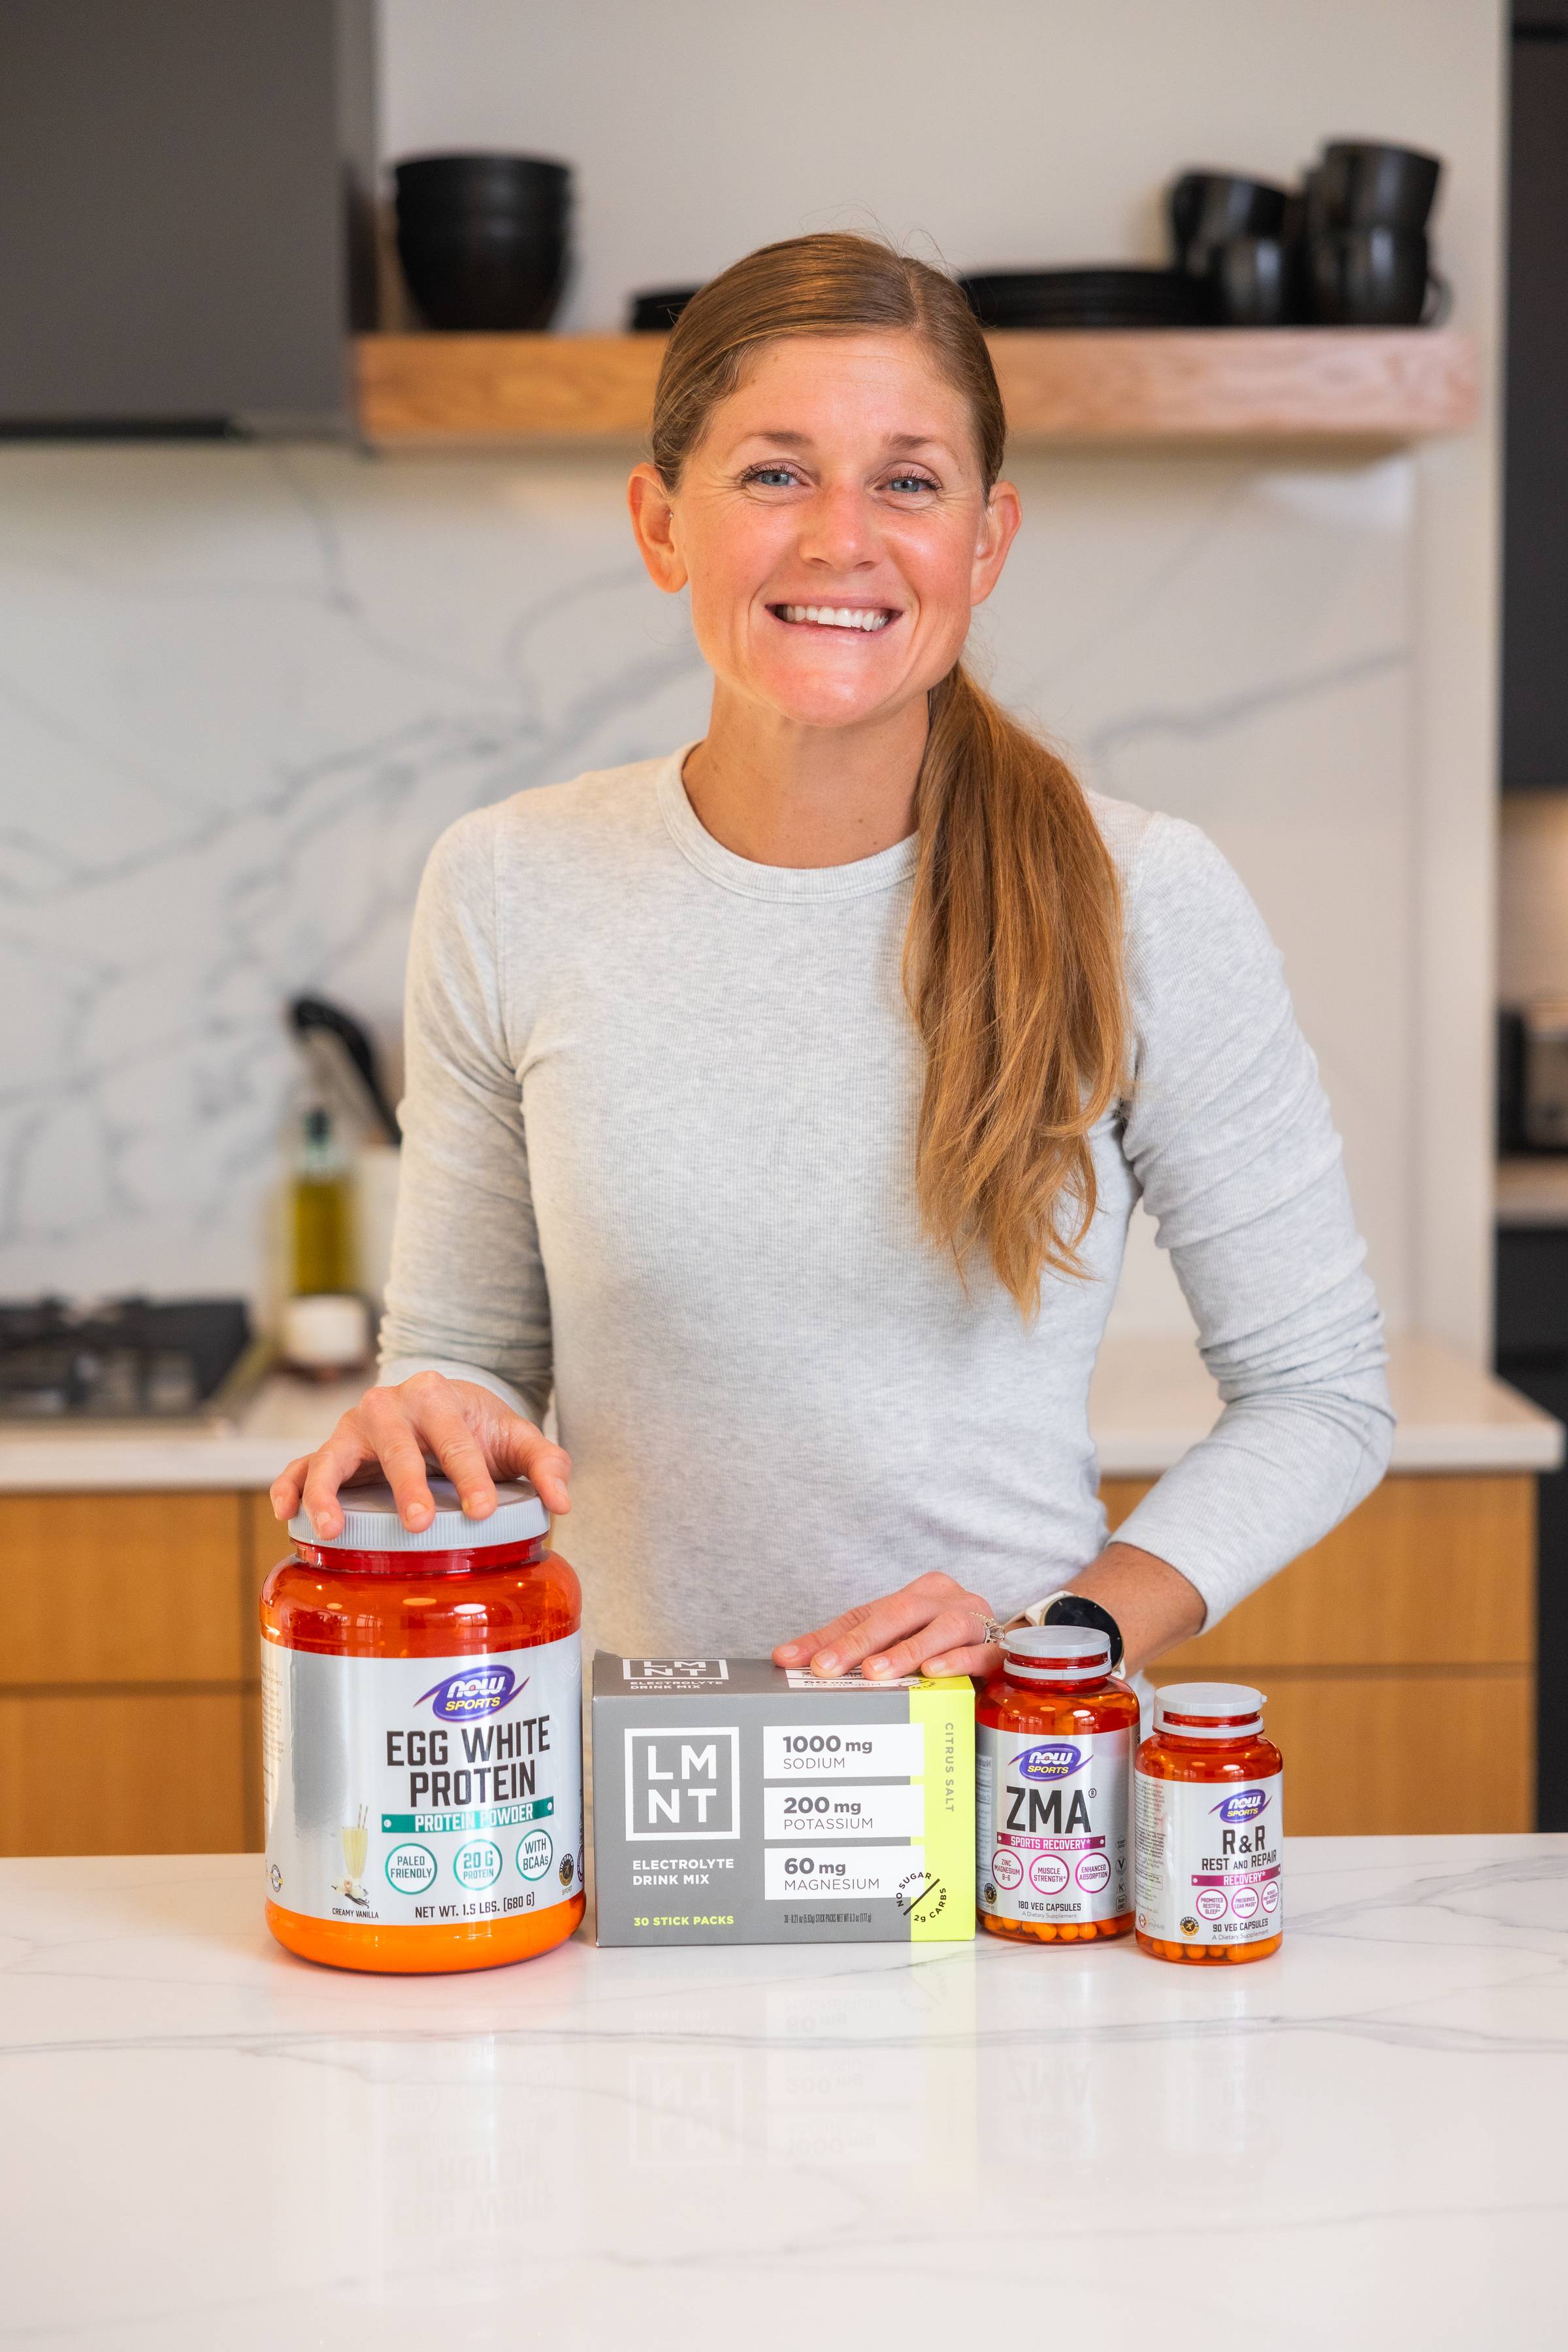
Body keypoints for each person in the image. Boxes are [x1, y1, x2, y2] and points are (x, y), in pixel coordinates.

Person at [270, 233, 1392, 1688]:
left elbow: (1320, 1396)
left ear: (984, 540)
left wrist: (1059, 1632)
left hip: (992, 1800)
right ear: (662, 522)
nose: (839, 538)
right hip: (626, 1800)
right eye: (775, 473)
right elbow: (467, 1354)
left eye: (908, 482)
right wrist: (427, 1418)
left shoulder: (1142, 899)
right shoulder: (507, 881)